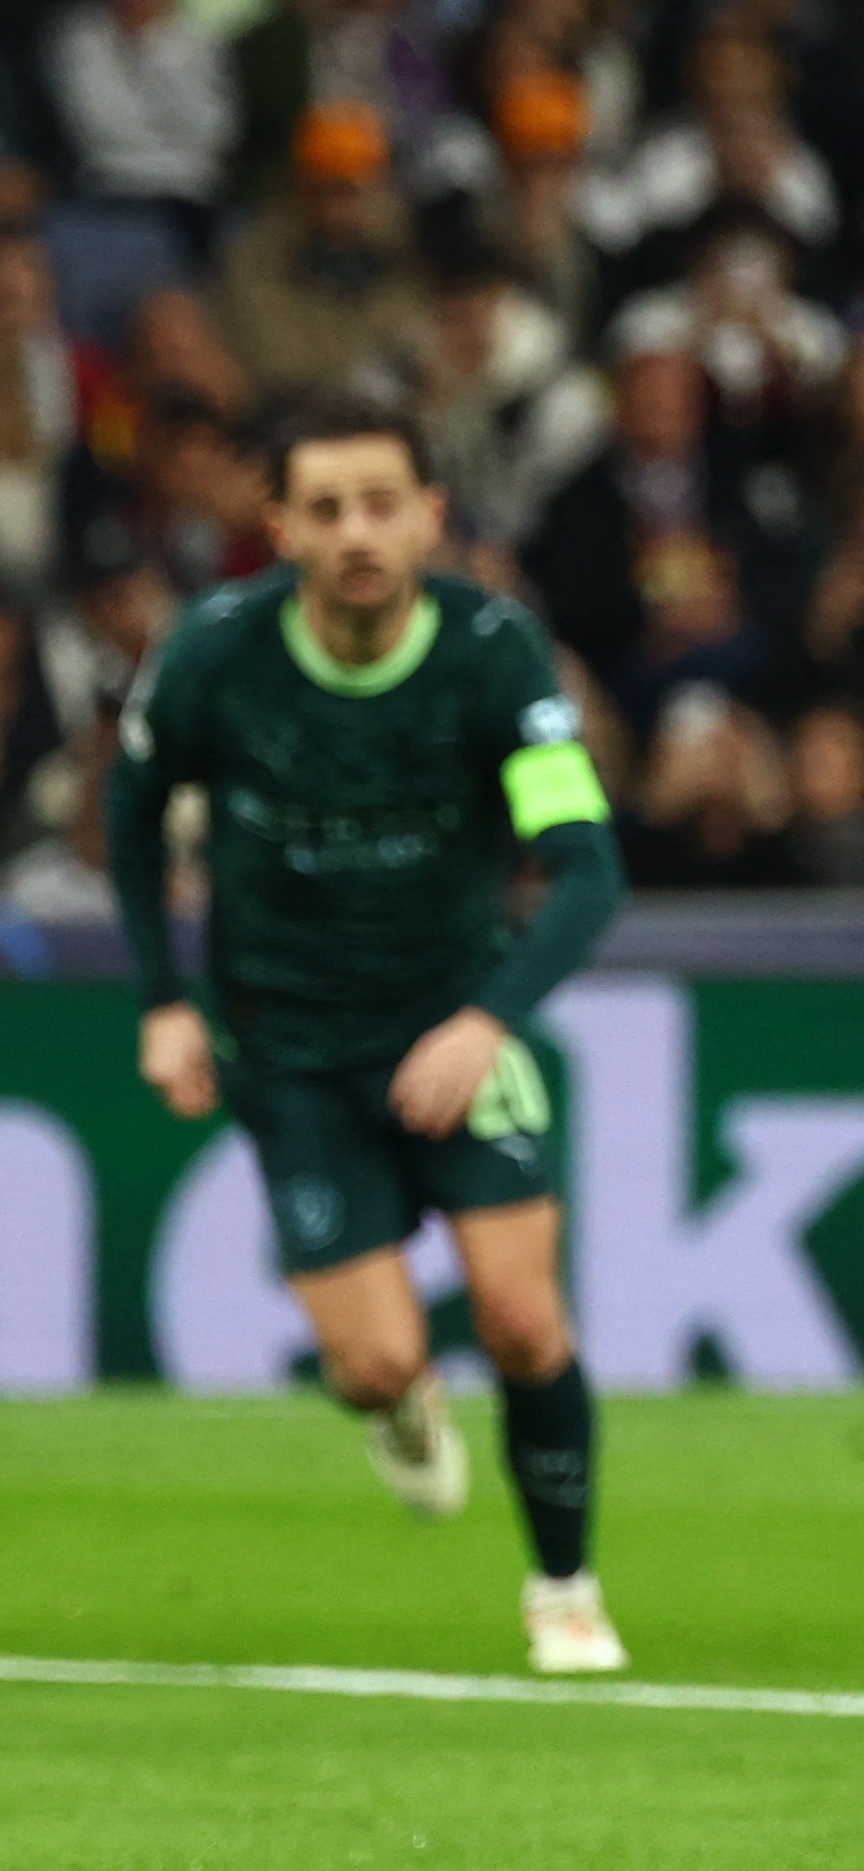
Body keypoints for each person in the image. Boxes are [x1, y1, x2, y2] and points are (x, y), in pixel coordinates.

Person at [99, 401, 631, 1676]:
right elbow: (130, 811)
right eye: (326, 509)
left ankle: (563, 1586)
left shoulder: (495, 656)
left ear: (431, 517)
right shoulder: (217, 655)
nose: (357, 534)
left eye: (382, 504)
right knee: (373, 1359)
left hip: (453, 1030)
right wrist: (163, 1002)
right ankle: (399, 1402)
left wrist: (485, 1020)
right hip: (290, 1050)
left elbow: (586, 870)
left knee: (521, 1320)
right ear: (275, 526)